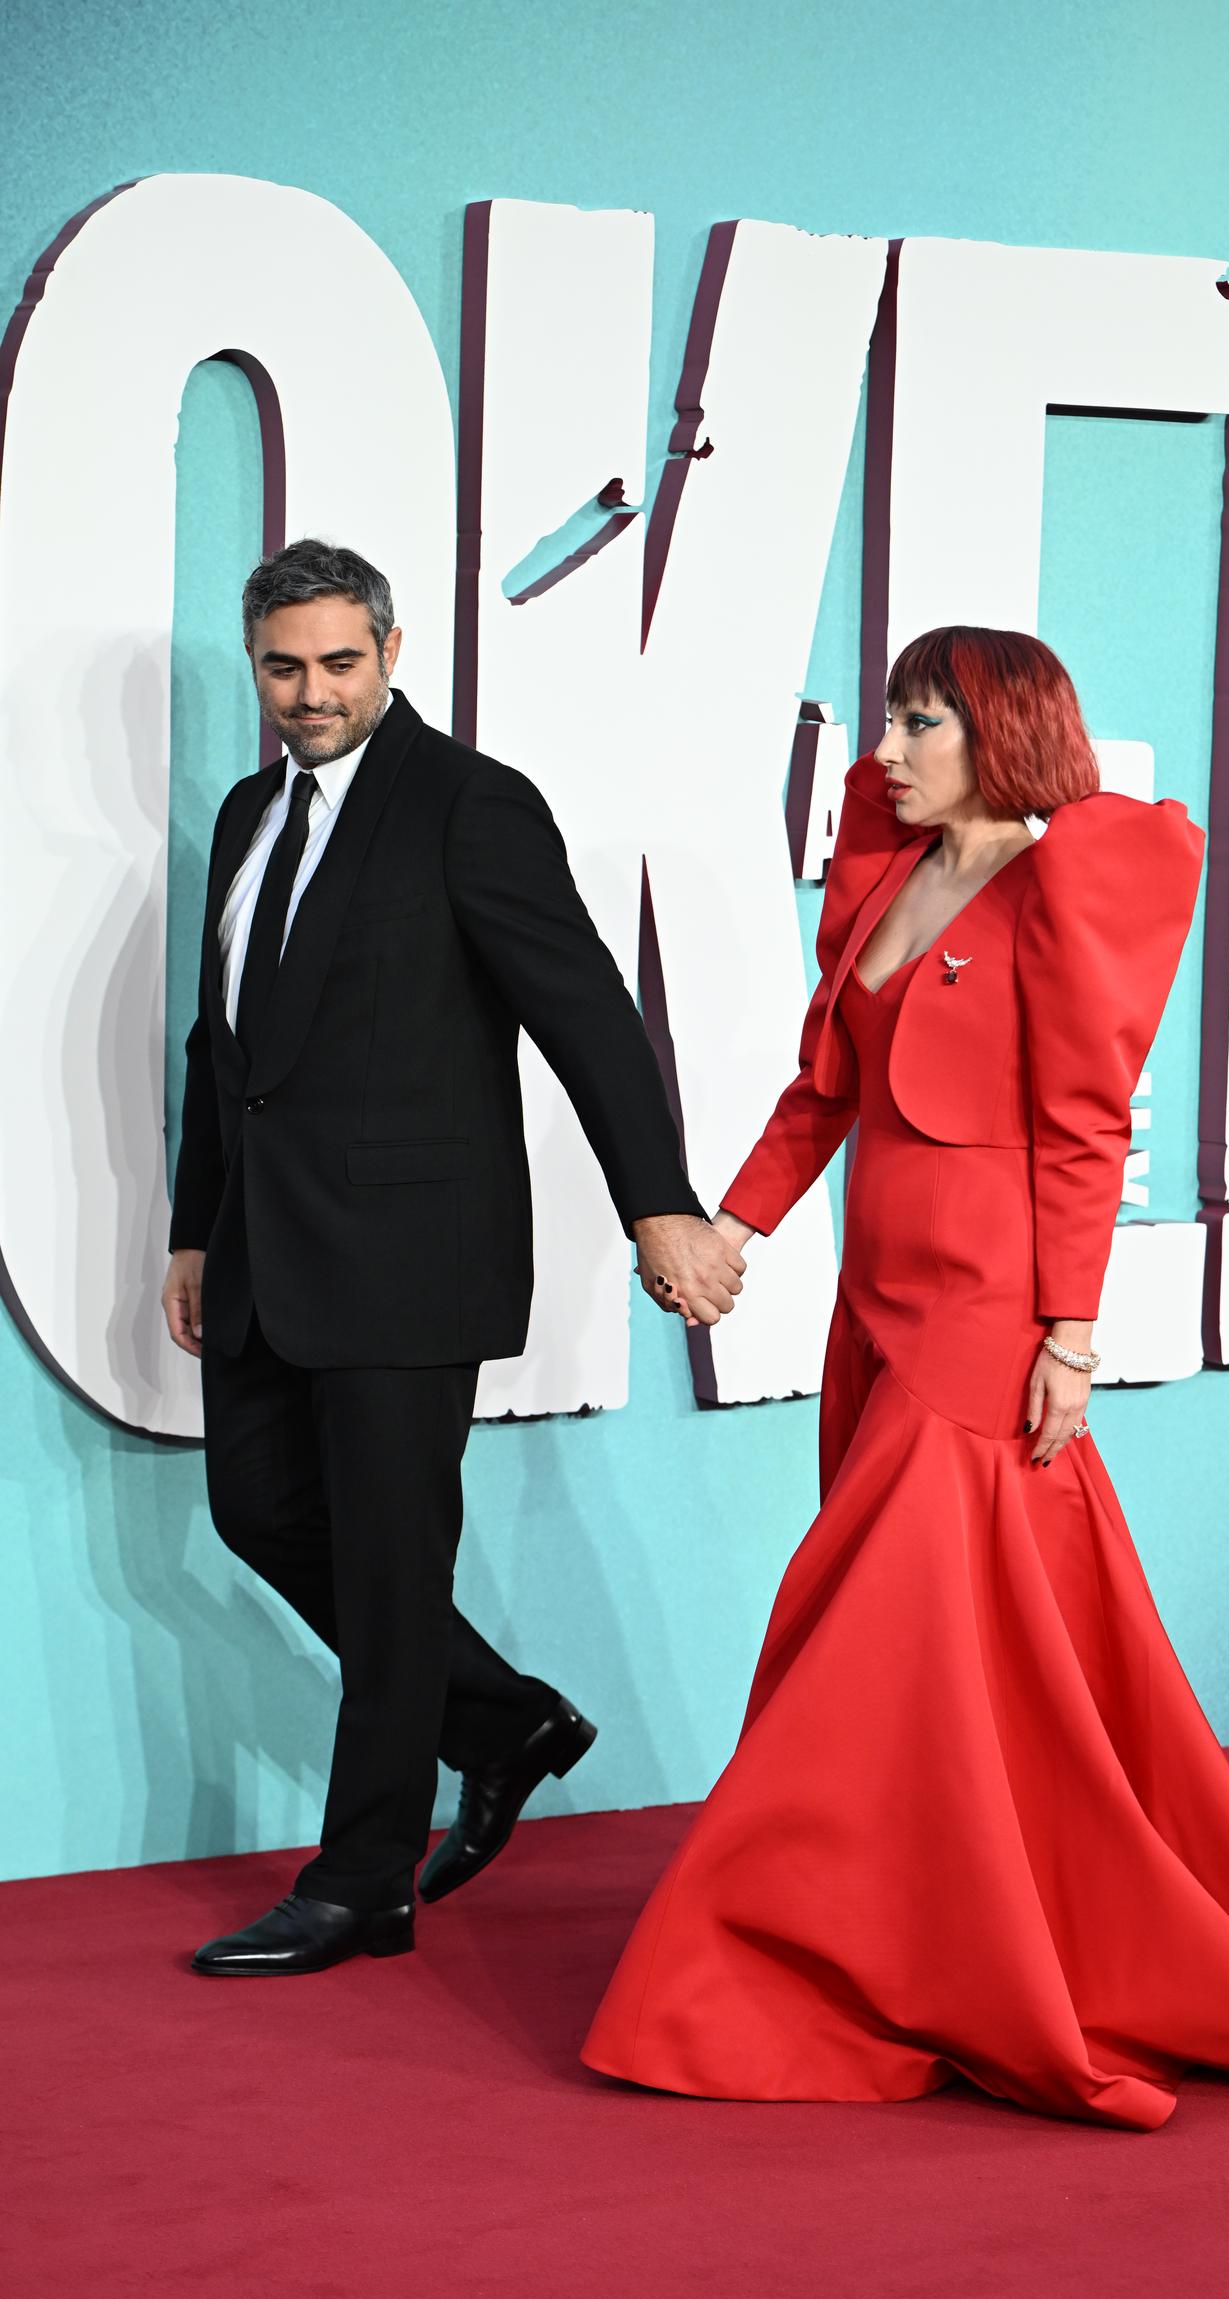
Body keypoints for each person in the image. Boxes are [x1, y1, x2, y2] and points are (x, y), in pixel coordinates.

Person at [582, 626, 1229, 2126]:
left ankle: (755, 1954)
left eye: (919, 722)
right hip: (875, 1306)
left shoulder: (1067, 882)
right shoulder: (888, 877)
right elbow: (824, 1090)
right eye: (892, 720)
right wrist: (734, 1227)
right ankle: (970, 1923)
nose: (884, 751)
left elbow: (1089, 1129)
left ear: (1001, 732)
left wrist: (1072, 1337)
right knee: (967, 1657)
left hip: (984, 1315)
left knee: (858, 1637)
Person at [164, 538, 743, 1977]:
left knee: (386, 1552)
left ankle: (364, 1877)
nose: (311, 693)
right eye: (284, 668)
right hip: (259, 1252)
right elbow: (220, 1048)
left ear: (394, 651)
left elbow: (587, 1014)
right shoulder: (248, 815)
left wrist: (657, 1201)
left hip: (412, 1255)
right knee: (258, 1514)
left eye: (338, 664)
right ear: (257, 666)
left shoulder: (468, 805)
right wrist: (191, 1225)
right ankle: (500, 1723)